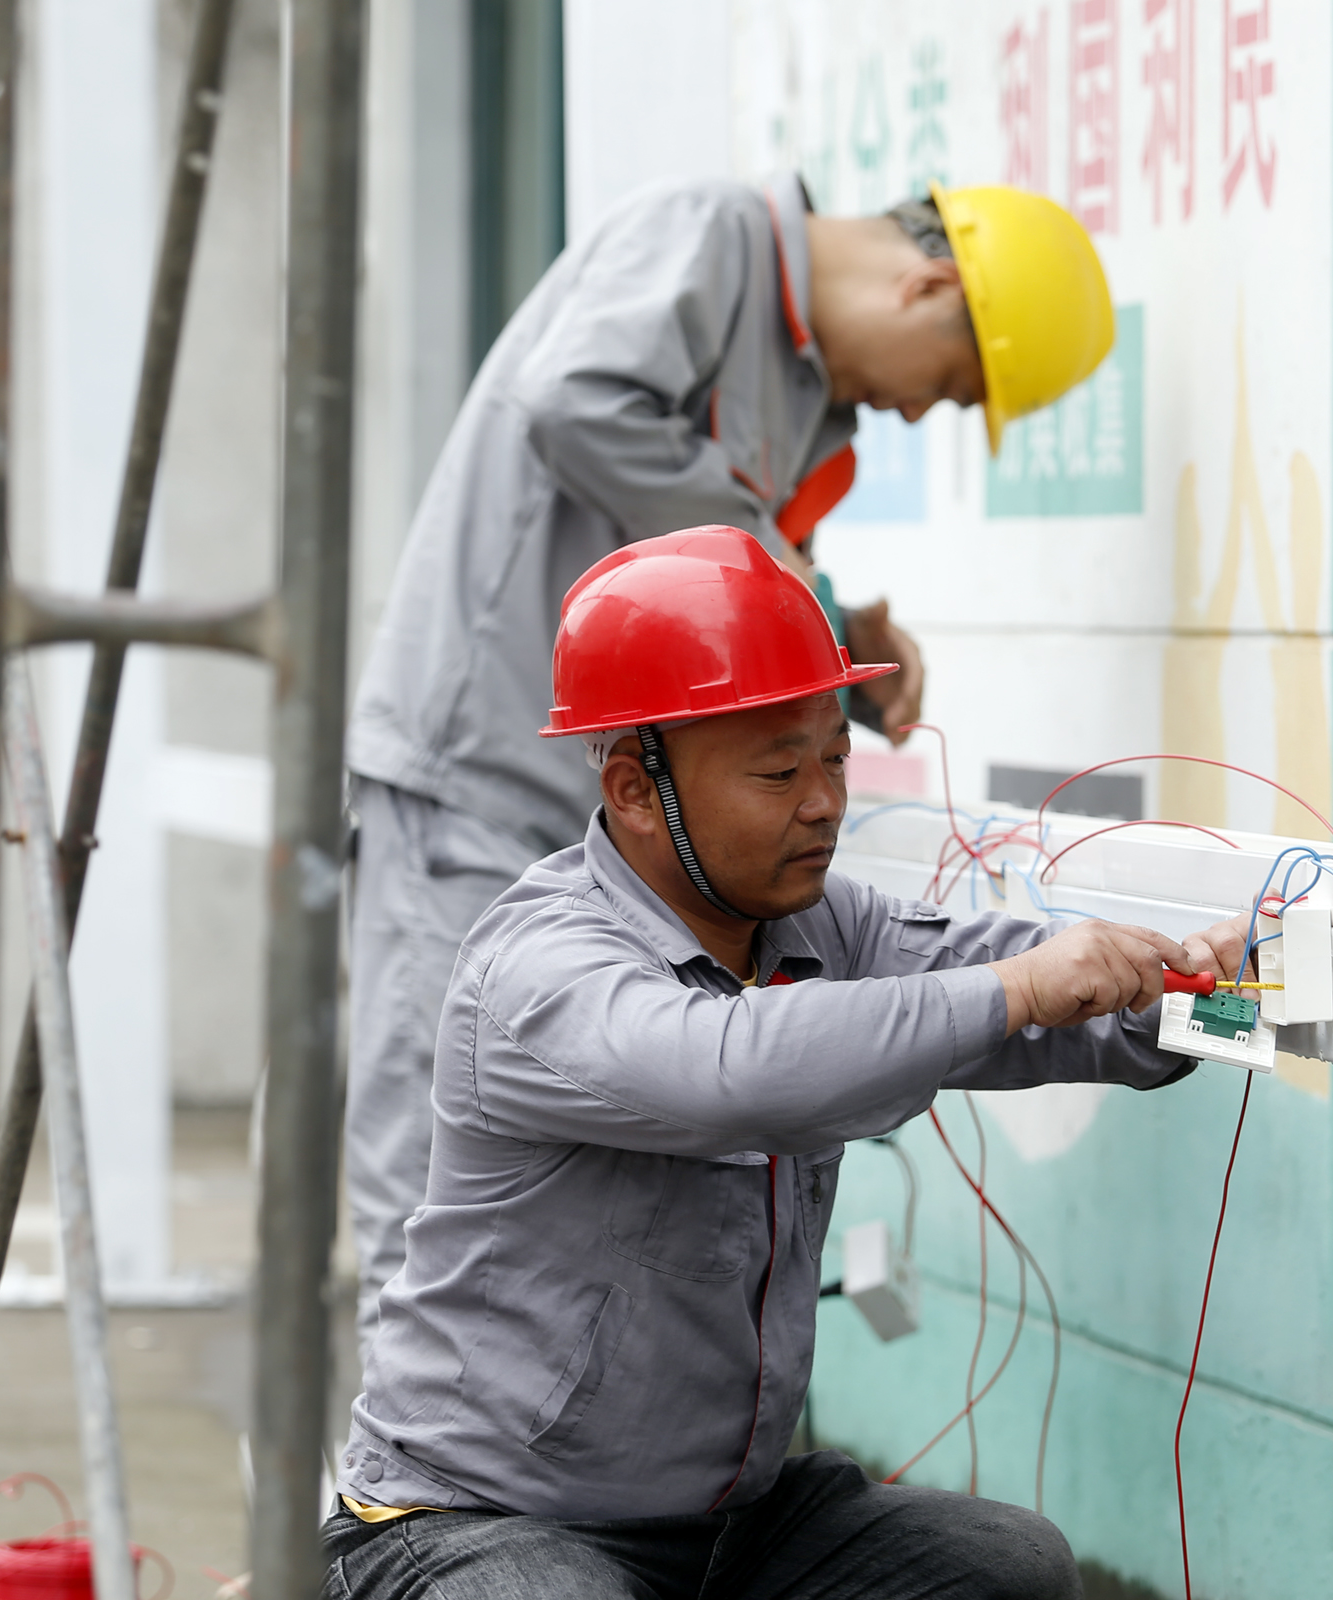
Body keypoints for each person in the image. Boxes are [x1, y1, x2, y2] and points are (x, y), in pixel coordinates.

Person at [326, 527, 1247, 1599]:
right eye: (778, 770)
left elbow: (1025, 982)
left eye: (835, 759)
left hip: (727, 1527)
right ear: (633, 788)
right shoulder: (538, 968)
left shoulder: (821, 923)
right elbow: (735, 1069)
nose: (823, 802)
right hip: (474, 1518)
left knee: (1007, 1569)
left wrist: (1188, 989)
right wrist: (1018, 989)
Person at [341, 170, 1117, 1350]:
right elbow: (574, 402)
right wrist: (793, 578)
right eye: (949, 390)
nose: (917, 416)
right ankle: (389, 1523)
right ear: (929, 285)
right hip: (472, 788)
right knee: (426, 1204)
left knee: (583, 1201)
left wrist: (831, 627)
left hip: (614, 838)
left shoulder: (811, 402)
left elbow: (703, 596)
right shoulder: (712, 236)